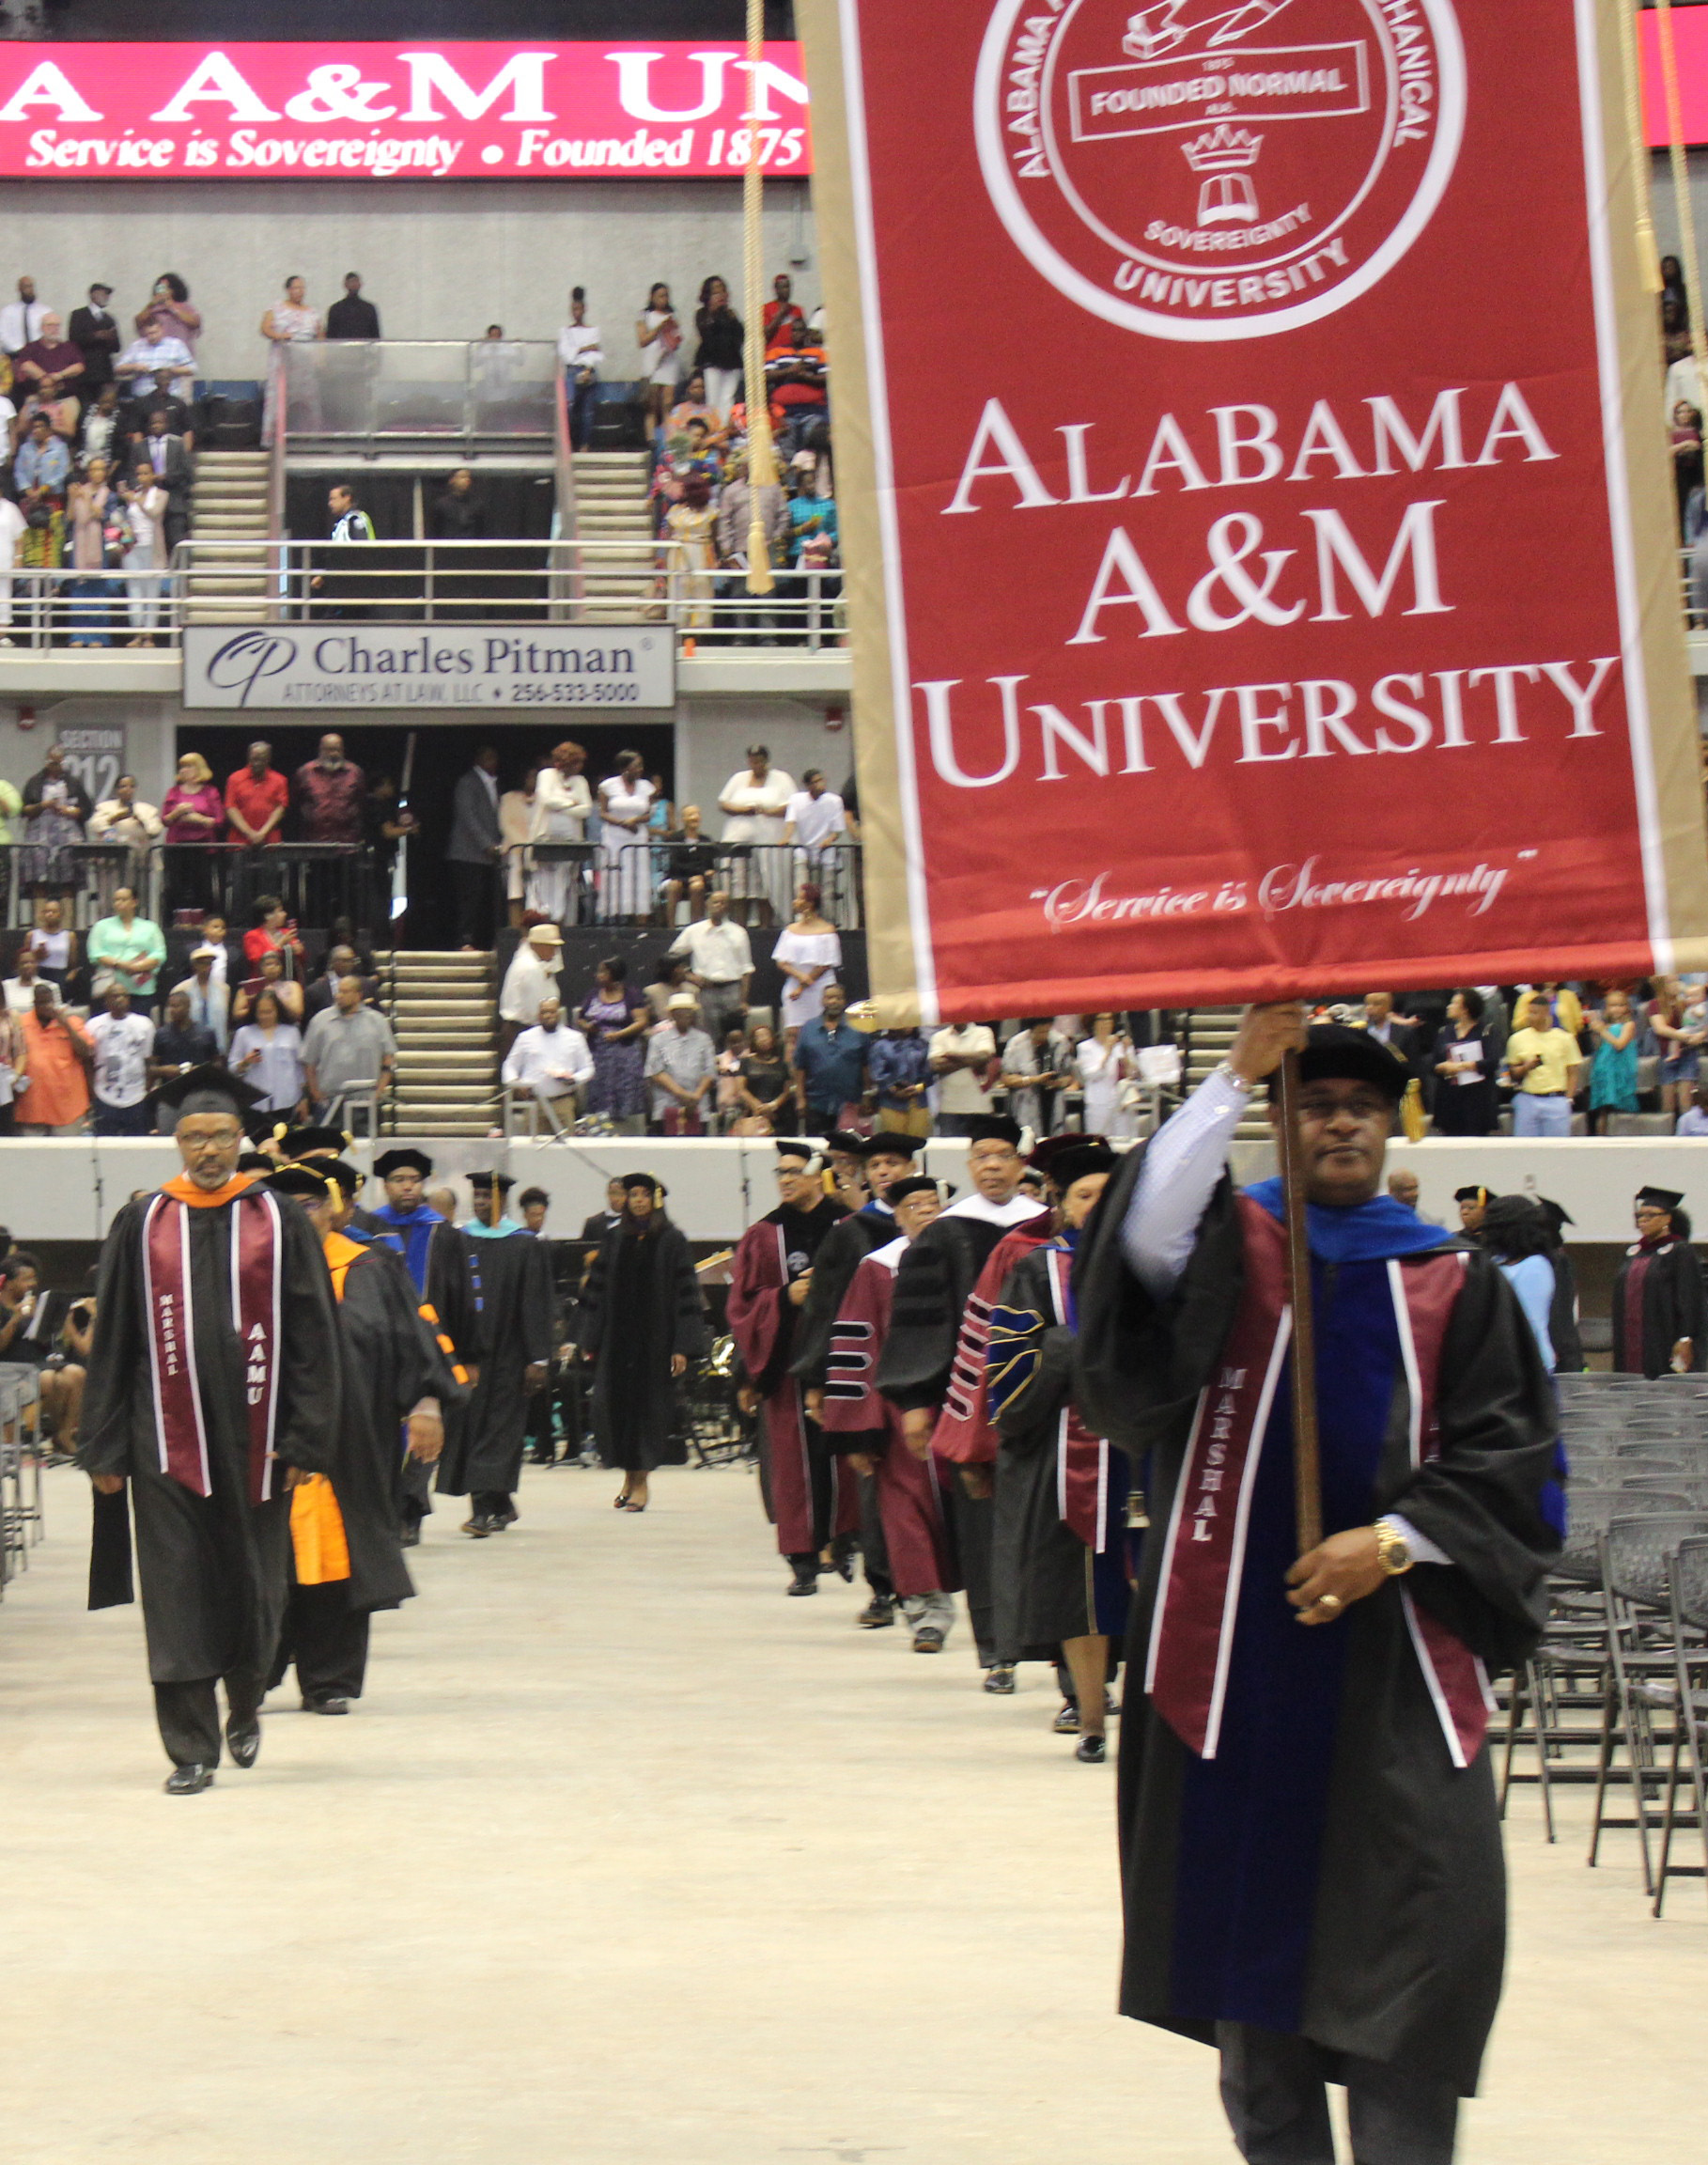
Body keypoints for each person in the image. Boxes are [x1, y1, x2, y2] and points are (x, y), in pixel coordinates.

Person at [1072, 1008, 1560, 2162]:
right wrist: (1231, 1080)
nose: (1338, 1121)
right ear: (1281, 1124)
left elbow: (1513, 1464)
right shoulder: (1226, 1258)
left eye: (1359, 1106)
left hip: (1396, 1670)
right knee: (1258, 2011)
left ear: (1390, 1127)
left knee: (1418, 1971)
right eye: (1313, 1103)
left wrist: (1389, 1541)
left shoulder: (1451, 1281)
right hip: (1230, 1667)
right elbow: (1137, 1242)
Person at [77, 1064, 340, 1791]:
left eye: (221, 1136)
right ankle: (191, 1747)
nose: (208, 1152)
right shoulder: (143, 1219)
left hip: (260, 1445)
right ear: (176, 1142)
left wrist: (306, 1437)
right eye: (194, 1138)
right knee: (177, 1592)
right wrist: (103, 1441)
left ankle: (246, 1700)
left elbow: (315, 1338)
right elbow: (117, 1337)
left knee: (255, 1586)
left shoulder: (278, 1219)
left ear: (241, 1137)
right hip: (163, 1440)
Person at [261, 1161, 458, 1715]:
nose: (301, 1216)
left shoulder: (369, 1267)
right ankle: (258, 1668)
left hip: (355, 1442)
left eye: (312, 1204)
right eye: (287, 1205)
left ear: (336, 1209)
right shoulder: (253, 1271)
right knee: (268, 1559)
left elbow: (414, 1341)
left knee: (339, 1560)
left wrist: (425, 1405)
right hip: (273, 1442)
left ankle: (329, 1681)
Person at [876, 1114, 1048, 1681]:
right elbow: (918, 1322)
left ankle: (1057, 1648)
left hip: (1047, 1399)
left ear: (1021, 1164)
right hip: (972, 1403)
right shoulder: (947, 1232)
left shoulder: (1047, 1226)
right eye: (982, 1157)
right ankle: (997, 1650)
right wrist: (918, 1402)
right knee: (983, 1528)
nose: (993, 1165)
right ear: (969, 1166)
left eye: (1003, 1155)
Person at [986, 1141, 1128, 1759]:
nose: (1095, 1206)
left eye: (1105, 1194)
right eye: (1083, 1195)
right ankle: (1091, 1716)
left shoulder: (1156, 1265)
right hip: (1070, 1452)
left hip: (1147, 1451)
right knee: (1084, 1591)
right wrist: (1065, 1351)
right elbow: (1010, 1373)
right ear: (1063, 1206)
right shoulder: (1036, 1269)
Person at [787, 1130, 928, 1625]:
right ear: (865, 1175)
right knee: (874, 1485)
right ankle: (883, 1587)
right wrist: (817, 1379)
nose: (885, 1171)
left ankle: (933, 1588)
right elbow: (825, 1309)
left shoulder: (944, 1227)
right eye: (876, 1165)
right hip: (869, 1378)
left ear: (913, 1168)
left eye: (894, 1163)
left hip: (934, 1380)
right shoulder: (851, 1232)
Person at [727, 1141, 861, 1589]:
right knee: (793, 1464)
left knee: (845, 1456)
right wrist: (783, 1298)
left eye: (794, 1171)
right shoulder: (764, 1235)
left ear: (817, 1175)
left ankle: (844, 1542)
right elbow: (743, 1306)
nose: (785, 1179)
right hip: (786, 1365)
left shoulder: (847, 1225)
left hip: (846, 1360)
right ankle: (802, 1560)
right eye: (779, 1172)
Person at [363, 1147, 481, 1545]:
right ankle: (386, 1509)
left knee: (423, 1429)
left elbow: (465, 1296)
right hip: (381, 1350)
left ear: (424, 1184)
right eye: (398, 1179)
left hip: (433, 1349)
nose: (407, 1186)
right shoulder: (370, 1231)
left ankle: (410, 1511)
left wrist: (469, 1356)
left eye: (413, 1179)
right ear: (386, 1185)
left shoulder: (444, 1234)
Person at [435, 1172, 555, 1536]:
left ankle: (484, 1511)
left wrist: (538, 1358)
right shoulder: (458, 1239)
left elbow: (536, 1303)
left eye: (489, 1196)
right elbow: (446, 1295)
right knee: (469, 1427)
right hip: (468, 1352)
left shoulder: (524, 1244)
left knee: (498, 1430)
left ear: (503, 1200)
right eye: (478, 1195)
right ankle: (498, 1503)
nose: (482, 1201)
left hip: (510, 1353)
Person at [1611, 1184, 1707, 1376]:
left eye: (1650, 1215)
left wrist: (1686, 1339)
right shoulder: (1633, 1253)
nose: (1643, 1220)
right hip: (1630, 1340)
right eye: (1640, 1216)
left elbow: (1689, 1299)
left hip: (1664, 1339)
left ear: (1667, 1219)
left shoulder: (1680, 1251)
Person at [0, 1249, 82, 1455]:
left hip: (38, 1362)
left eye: (34, 1279)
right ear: (8, 1282)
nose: (32, 1284)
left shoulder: (31, 1306)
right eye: (26, 1279)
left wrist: (43, 1321)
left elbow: (44, 1343)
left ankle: (63, 1433)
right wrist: (16, 1318)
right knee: (61, 1382)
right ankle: (54, 1433)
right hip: (12, 1368)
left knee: (77, 1373)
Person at [1476, 1194, 1558, 1370]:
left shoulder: (1534, 1266)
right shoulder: (1496, 1261)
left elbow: (1528, 1324)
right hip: (1501, 1362)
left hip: (1529, 1366)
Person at [301, 975, 396, 1125]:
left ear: (358, 995)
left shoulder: (376, 1021)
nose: (339, 996)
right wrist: (315, 1092)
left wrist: (379, 1092)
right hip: (329, 1102)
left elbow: (388, 1061)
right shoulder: (321, 1021)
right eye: (338, 992)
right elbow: (309, 1062)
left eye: (345, 992)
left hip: (365, 1103)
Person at [718, 745, 796, 924]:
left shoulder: (781, 778)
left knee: (764, 886)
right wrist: (744, 810)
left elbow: (792, 805)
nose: (755, 765)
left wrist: (769, 811)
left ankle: (766, 926)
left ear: (766, 761)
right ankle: (739, 926)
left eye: (759, 761)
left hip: (768, 843)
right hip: (739, 842)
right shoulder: (738, 778)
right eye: (752, 761)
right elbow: (723, 803)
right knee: (739, 885)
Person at [668, 888, 753, 1046]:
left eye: (723, 902)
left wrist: (743, 1000)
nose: (719, 905)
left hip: (732, 989)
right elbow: (672, 955)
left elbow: (747, 969)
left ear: (728, 907)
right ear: (707, 905)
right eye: (715, 902)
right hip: (706, 990)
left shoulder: (739, 932)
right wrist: (688, 975)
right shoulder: (694, 931)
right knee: (707, 1036)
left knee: (735, 1037)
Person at [577, 955, 651, 1131]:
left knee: (622, 1091)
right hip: (598, 1051)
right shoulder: (593, 994)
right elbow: (580, 1018)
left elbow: (641, 1022)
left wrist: (618, 1034)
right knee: (598, 1090)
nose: (598, 975)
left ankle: (623, 1128)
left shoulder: (630, 994)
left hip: (623, 1052)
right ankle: (598, 1128)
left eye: (603, 971)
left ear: (614, 973)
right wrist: (588, 1027)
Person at [503, 995, 594, 1134]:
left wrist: (575, 1079)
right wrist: (515, 1083)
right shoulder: (525, 1037)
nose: (548, 1015)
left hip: (563, 1102)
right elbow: (510, 1065)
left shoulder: (574, 1038)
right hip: (534, 1103)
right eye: (544, 1012)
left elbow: (588, 1068)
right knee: (532, 1148)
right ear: (539, 1015)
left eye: (552, 1011)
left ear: (559, 1013)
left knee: (566, 1147)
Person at [529, 740, 593, 926]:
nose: (580, 767)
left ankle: (559, 918)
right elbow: (546, 799)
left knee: (564, 880)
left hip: (571, 839)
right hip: (545, 838)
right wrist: (572, 803)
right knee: (543, 880)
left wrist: (562, 806)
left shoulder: (580, 781)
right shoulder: (546, 775)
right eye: (576, 763)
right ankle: (542, 918)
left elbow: (587, 810)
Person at [445, 745, 504, 951]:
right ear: (478, 759)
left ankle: (487, 940)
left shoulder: (493, 784)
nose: (493, 762)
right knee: (469, 900)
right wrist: (487, 844)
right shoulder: (467, 782)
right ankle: (464, 941)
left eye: (494, 757)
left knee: (486, 901)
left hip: (488, 856)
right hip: (467, 853)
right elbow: (468, 816)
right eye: (488, 757)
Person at [1503, 990, 1584, 1137]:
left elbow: (1573, 1071)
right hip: (1527, 1098)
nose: (1530, 1017)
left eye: (1534, 1013)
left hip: (1556, 1099)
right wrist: (1526, 1067)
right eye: (1529, 1012)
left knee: (1557, 1149)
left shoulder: (1565, 1038)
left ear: (1546, 1013)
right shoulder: (1517, 1039)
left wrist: (1568, 1100)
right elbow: (1512, 1072)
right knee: (1524, 1148)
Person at [17, 981, 93, 1133]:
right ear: (34, 1003)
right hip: (32, 1105)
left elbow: (86, 1052)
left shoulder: (73, 1022)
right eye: (42, 1003)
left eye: (49, 1002)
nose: (47, 1006)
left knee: (67, 1155)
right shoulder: (20, 1023)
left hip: (66, 1105)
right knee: (30, 1154)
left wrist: (66, 1024)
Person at [792, 982, 867, 1131]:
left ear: (844, 1001)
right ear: (822, 1001)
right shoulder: (809, 1028)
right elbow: (800, 1066)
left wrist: (867, 1095)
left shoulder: (858, 1028)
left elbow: (866, 1065)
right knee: (818, 1149)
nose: (833, 1002)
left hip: (851, 1104)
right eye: (829, 998)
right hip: (816, 1103)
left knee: (849, 1149)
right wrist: (800, 1098)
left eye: (838, 998)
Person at [19, 744, 92, 898]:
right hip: (40, 838)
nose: (57, 767)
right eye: (53, 763)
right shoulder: (34, 782)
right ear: (47, 762)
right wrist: (43, 806)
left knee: (69, 881)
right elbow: (24, 810)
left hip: (68, 837)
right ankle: (40, 919)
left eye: (60, 763)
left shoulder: (74, 783)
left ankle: (68, 920)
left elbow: (86, 809)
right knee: (39, 881)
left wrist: (69, 810)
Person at [774, 882, 843, 1043]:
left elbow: (825, 964)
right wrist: (800, 978)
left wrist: (803, 985)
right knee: (794, 1034)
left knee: (821, 1032)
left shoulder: (827, 930)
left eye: (799, 898)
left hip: (820, 987)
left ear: (810, 904)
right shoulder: (789, 930)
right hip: (794, 986)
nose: (795, 902)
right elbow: (782, 961)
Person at [260, 274, 324, 444]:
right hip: (283, 361)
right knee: (280, 399)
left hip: (305, 363)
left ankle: (310, 436)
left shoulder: (312, 312)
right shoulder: (276, 308)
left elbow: (320, 336)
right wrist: (280, 336)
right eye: (296, 288)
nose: (300, 291)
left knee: (308, 398)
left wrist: (320, 357)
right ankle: (274, 438)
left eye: (302, 288)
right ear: (288, 290)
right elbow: (265, 329)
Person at [87, 986, 157, 1136]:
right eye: (114, 996)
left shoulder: (144, 1024)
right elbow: (88, 1062)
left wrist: (146, 1091)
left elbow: (149, 1061)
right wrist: (93, 1093)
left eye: (123, 996)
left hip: (136, 1096)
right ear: (106, 1001)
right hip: (104, 1096)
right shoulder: (93, 1025)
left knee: (137, 1147)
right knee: (105, 1147)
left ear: (129, 999)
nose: (119, 999)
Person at [1429, 989, 1498, 1137]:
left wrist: (1463, 1066)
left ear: (1465, 1009)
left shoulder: (1485, 1031)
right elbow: (1433, 1064)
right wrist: (1443, 1067)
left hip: (1476, 1099)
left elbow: (1492, 1062)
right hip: (1449, 1099)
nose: (1449, 1006)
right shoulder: (1444, 1032)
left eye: (1454, 1003)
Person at [596, 751, 656, 922]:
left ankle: (640, 920)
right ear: (624, 767)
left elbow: (649, 813)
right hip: (614, 837)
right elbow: (602, 813)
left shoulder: (647, 787)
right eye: (636, 765)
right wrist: (622, 823)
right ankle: (614, 919)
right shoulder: (608, 786)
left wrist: (635, 820)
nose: (640, 769)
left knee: (638, 877)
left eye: (641, 766)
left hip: (637, 836)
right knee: (616, 875)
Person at [645, 991, 716, 1135]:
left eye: (689, 1011)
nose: (686, 1015)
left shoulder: (704, 1039)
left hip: (698, 1107)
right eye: (681, 1012)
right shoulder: (658, 1040)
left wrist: (696, 1096)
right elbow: (655, 1072)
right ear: (672, 1015)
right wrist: (682, 1094)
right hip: (666, 1107)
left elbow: (710, 1071)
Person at [228, 988, 305, 1117]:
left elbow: (300, 1068)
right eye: (261, 1012)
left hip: (287, 1099)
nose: (265, 1017)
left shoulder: (292, 1032)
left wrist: (304, 1099)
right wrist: (245, 1062)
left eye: (269, 1012)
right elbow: (232, 1068)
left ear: (277, 1011)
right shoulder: (244, 1033)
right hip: (256, 1102)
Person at [88, 884, 166, 1008]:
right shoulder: (101, 926)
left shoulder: (151, 927)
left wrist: (137, 967)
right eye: (116, 900)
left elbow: (159, 954)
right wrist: (121, 964)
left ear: (134, 902)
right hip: (110, 988)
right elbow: (96, 953)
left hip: (141, 988)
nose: (118, 903)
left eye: (123, 900)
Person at [1000, 1018, 1075, 1138]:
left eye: (1047, 1031)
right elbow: (1007, 1078)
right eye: (1040, 1032)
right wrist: (1034, 1080)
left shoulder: (1060, 1042)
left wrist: (1056, 1083)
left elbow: (1069, 1077)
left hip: (1053, 1104)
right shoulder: (1016, 1043)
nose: (1044, 1035)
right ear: (1031, 1030)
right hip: (1025, 1106)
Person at [499, 920, 566, 1051]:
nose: (554, 952)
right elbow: (536, 1008)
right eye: (552, 947)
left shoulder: (529, 963)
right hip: (524, 1030)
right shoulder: (531, 968)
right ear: (538, 945)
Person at [930, 1015, 1000, 1137]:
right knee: (948, 1152)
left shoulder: (983, 1032)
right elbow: (936, 1066)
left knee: (979, 1149)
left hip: (979, 1107)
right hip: (948, 1108)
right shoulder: (939, 1036)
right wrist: (971, 1060)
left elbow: (985, 1057)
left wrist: (951, 1055)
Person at [1585, 987, 1640, 1134]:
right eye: (1613, 1005)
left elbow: (1620, 1044)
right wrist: (1596, 1030)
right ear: (1606, 1008)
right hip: (1604, 1069)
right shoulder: (1605, 1026)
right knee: (1603, 1110)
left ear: (1627, 1008)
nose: (1617, 1009)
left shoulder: (1629, 1025)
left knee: (1620, 1108)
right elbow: (1599, 1047)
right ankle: (1600, 1141)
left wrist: (1602, 1030)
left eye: (1621, 1005)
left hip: (1621, 1070)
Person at [1075, 1013, 1140, 1139]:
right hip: (1098, 1101)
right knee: (1099, 1140)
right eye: (1101, 1019)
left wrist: (1126, 1053)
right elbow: (1091, 1075)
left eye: (1109, 1019)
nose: (1106, 1023)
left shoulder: (1121, 1045)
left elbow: (1133, 1074)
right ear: (1093, 1023)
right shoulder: (1085, 1047)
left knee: (1125, 1139)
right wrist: (1107, 1052)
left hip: (1122, 1101)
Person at [293, 733, 366, 844]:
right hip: (313, 841)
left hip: (347, 842)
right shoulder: (305, 772)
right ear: (320, 750)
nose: (334, 754)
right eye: (330, 750)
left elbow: (361, 802)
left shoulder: (355, 773)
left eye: (338, 749)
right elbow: (295, 802)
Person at [636, 281, 682, 440]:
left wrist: (672, 334)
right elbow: (642, 341)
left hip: (668, 361)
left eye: (666, 296)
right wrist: (659, 328)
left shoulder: (672, 316)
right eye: (660, 296)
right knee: (652, 405)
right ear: (652, 297)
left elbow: (677, 339)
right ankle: (651, 439)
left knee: (668, 403)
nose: (664, 299)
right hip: (652, 362)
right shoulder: (645, 316)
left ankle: (669, 438)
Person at [224, 740, 289, 852]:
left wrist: (262, 833)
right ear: (248, 757)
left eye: (261, 759)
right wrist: (250, 833)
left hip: (269, 843)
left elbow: (281, 808)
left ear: (268, 759)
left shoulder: (280, 780)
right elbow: (231, 808)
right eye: (254, 759)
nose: (257, 763)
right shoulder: (235, 778)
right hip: (240, 843)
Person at [867, 1026, 933, 1137]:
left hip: (918, 1101)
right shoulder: (881, 1046)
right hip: (891, 1102)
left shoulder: (923, 1045)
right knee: (894, 1143)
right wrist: (894, 1090)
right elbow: (877, 1075)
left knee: (918, 1142)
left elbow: (929, 1075)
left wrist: (917, 1088)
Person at [557, 287, 602, 449]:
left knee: (587, 411)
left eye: (579, 308)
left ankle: (585, 444)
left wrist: (588, 369)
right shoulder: (565, 331)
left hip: (588, 370)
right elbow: (566, 355)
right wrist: (586, 348)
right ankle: (567, 443)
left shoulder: (593, 330)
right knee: (569, 408)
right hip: (571, 371)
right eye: (574, 309)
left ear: (584, 309)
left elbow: (597, 354)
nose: (577, 312)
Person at [149, 987, 218, 1089]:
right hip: (170, 1090)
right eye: (170, 1006)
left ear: (188, 1007)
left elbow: (217, 1064)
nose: (172, 1010)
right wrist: (164, 1070)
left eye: (176, 1006)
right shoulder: (161, 1034)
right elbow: (152, 1068)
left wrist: (200, 1069)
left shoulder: (206, 1033)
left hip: (199, 1089)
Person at [88, 772, 163, 855]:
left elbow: (155, 831)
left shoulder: (147, 809)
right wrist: (113, 819)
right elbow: (94, 826)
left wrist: (141, 823)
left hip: (140, 854)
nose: (128, 789)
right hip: (113, 853)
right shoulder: (104, 807)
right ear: (116, 789)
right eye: (123, 786)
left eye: (132, 786)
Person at [69, 282, 120, 392]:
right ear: (94, 295)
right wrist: (96, 336)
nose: (107, 297)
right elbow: (73, 339)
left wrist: (111, 338)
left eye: (108, 295)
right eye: (104, 294)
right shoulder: (79, 315)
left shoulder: (109, 318)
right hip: (86, 371)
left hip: (105, 371)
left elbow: (117, 348)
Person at [0, 274, 48, 356]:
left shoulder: (45, 311)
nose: (30, 290)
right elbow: (3, 334)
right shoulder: (7, 312)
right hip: (14, 355)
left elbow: (48, 334)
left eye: (31, 286)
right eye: (26, 287)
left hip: (39, 355)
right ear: (19, 289)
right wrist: (21, 350)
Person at [0, 990, 26, 1133]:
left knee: (5, 1130)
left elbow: (20, 1052)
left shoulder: (12, 1016)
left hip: (4, 1083)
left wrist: (15, 1077)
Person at [325, 273, 380, 342]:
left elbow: (375, 336)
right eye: (351, 282)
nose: (354, 284)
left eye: (356, 281)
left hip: (364, 351)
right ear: (345, 285)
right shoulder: (335, 309)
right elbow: (330, 338)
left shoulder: (369, 309)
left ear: (360, 285)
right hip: (342, 351)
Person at [763, 271, 806, 344]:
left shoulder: (797, 310)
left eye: (788, 286)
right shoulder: (766, 308)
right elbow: (764, 335)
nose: (787, 290)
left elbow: (803, 334)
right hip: (773, 352)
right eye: (783, 287)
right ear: (776, 289)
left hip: (791, 353)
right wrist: (780, 314)